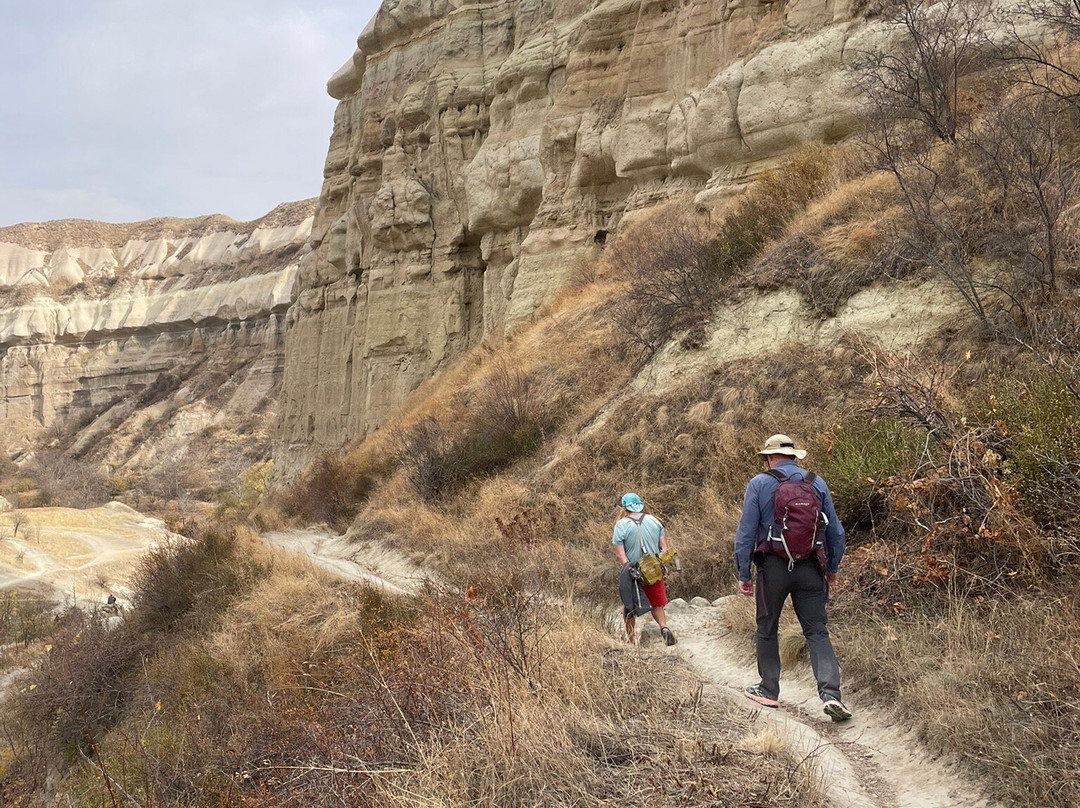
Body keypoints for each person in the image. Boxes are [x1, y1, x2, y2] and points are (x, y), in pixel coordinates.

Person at [733, 434, 852, 722]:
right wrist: (832, 568)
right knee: (816, 631)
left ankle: (768, 690)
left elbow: (746, 533)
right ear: (794, 456)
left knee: (767, 627)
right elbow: (836, 531)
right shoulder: (816, 482)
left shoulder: (759, 484)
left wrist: (743, 572)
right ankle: (831, 695)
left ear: (769, 457)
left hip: (772, 567)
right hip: (810, 567)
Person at [613, 492, 676, 646]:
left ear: (625, 508)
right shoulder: (655, 521)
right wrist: (655, 564)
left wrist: (630, 570)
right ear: (640, 505)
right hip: (653, 569)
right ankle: (664, 628)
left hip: (633, 570)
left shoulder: (621, 525)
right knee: (657, 604)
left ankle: (631, 639)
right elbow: (664, 548)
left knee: (630, 606)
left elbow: (620, 554)